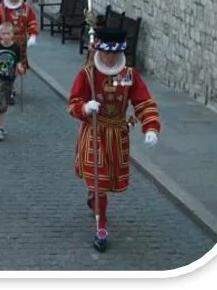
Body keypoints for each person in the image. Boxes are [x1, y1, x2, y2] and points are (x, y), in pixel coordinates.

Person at [67, 28, 161, 252]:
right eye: (106, 53)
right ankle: (101, 226)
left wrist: (150, 127)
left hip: (117, 133)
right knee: (98, 177)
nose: (109, 58)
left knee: (107, 180)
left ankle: (94, 197)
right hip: (94, 130)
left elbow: (143, 101)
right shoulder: (88, 74)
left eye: (114, 54)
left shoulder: (127, 74)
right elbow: (73, 102)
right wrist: (84, 107)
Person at [0, 22, 25, 141]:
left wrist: (19, 68)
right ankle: (0, 128)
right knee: (2, 101)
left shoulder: (16, 47)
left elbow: (18, 61)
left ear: (12, 34)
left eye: (8, 34)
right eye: (3, 34)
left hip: (10, 78)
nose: (5, 36)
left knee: (6, 100)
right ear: (0, 34)